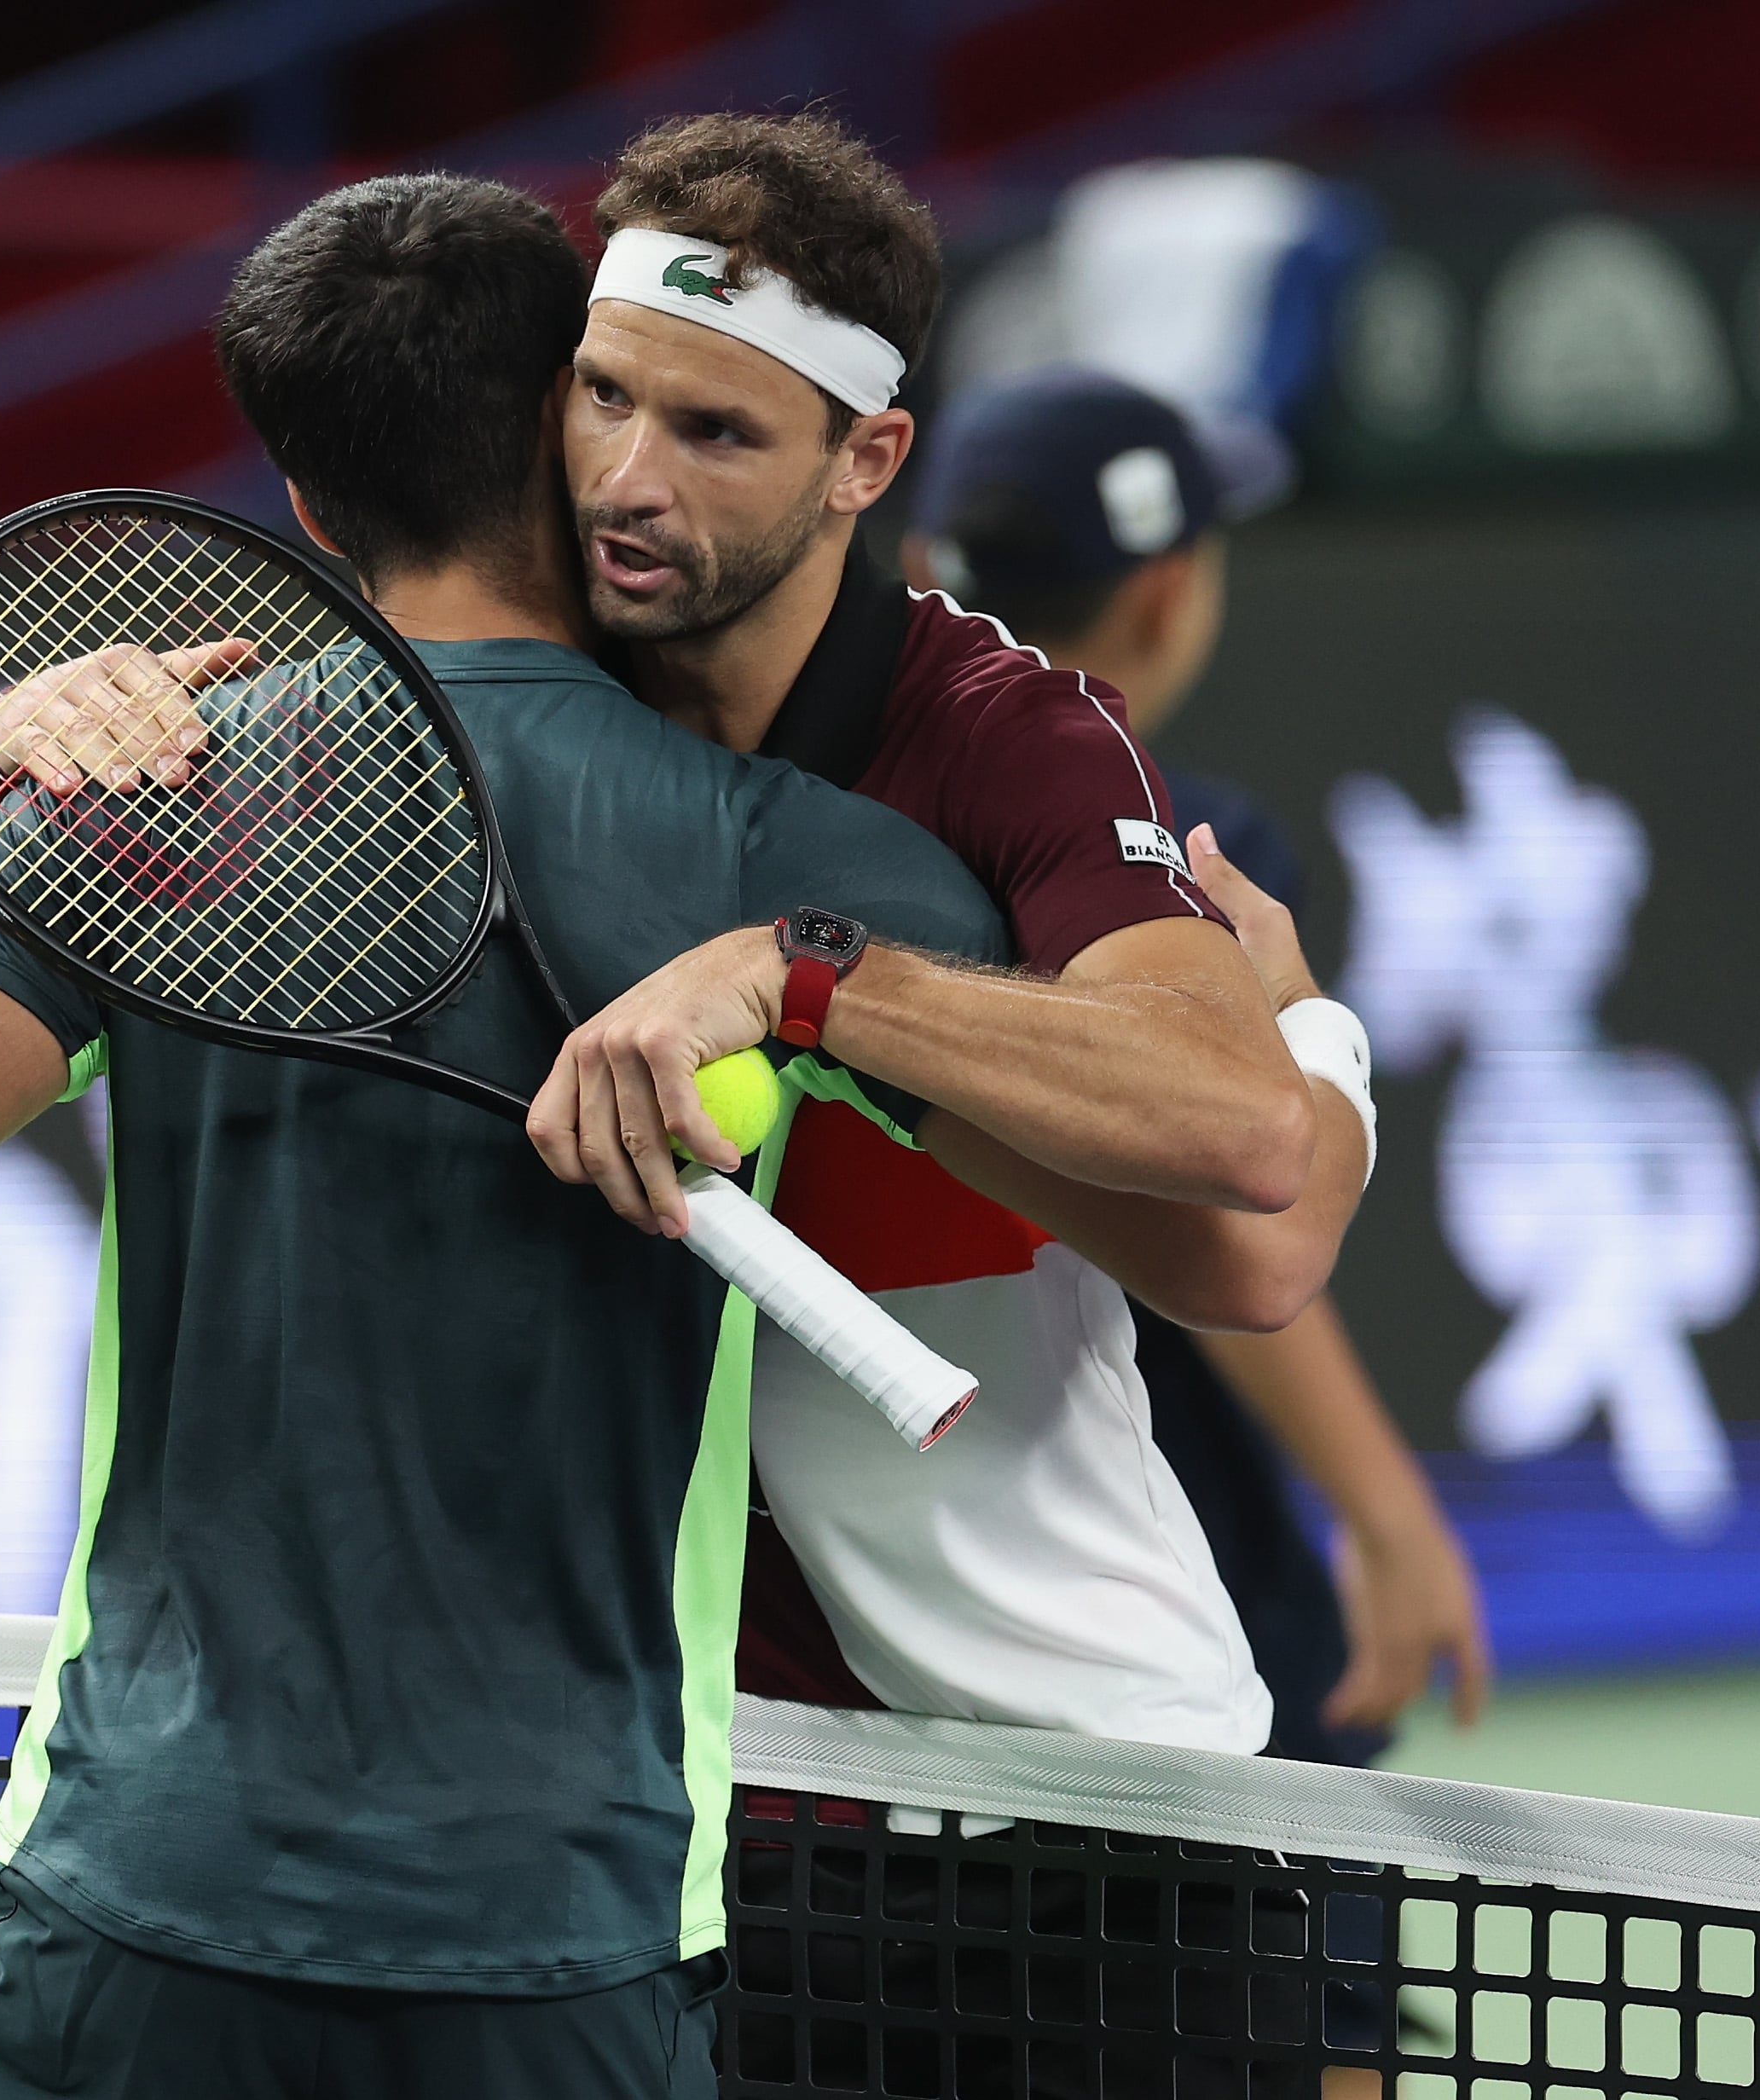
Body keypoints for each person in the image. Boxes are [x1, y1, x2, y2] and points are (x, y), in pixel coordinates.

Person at [0, 174, 1015, 2100]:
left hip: (135, 1912)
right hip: (560, 1944)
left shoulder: (130, 793)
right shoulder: (788, 857)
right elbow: (1143, 1118)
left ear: (308, 509)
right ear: (573, 420)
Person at [523, 112, 1381, 1759]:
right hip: (679, 1786)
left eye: (717, 431)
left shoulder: (1012, 746)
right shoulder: (526, 660)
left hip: (1054, 1784)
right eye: (604, 395)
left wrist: (809, 973)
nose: (628, 480)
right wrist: (120, 691)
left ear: (868, 460)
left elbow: (1250, 1199)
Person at [905, 367, 1492, 1762]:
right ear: (1172, 593)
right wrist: (1388, 1516)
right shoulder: (1196, 849)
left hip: (881, 1595)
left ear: (926, 566)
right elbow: (1245, 1247)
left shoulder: (823, 816)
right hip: (1162, 1580)